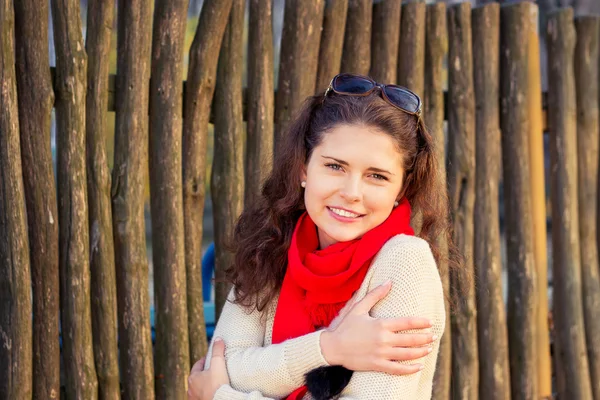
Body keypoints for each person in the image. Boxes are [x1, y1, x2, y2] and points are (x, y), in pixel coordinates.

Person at [187, 73, 463, 400]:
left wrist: (221, 397)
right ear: (304, 168)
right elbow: (223, 365)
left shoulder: (406, 263)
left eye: (376, 176)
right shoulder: (273, 246)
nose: (351, 193)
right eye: (335, 167)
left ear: (401, 189)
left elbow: (218, 385)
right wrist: (329, 347)